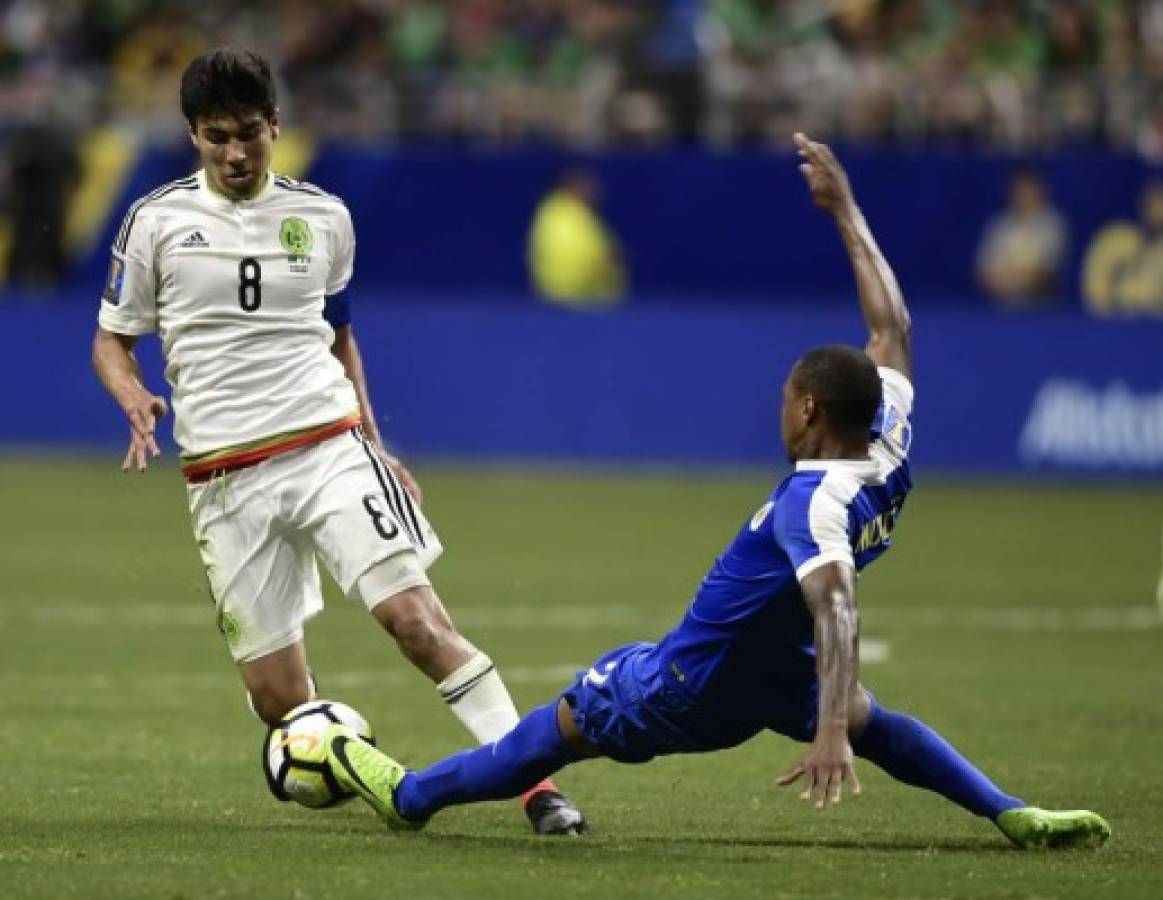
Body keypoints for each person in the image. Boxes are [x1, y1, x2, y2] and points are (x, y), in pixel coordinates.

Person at [322, 133, 1111, 850]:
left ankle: (410, 796)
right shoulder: (889, 431)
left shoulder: (815, 502)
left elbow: (836, 602)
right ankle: (1009, 811)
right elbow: (892, 328)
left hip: (686, 683)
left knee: (558, 726)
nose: (778, 411)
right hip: (774, 670)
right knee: (885, 727)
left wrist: (829, 727)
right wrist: (845, 209)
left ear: (806, 409)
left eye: (782, 399)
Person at [90, 48, 584, 836]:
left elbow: (339, 338)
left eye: (250, 133)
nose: (236, 153)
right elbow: (112, 341)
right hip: (224, 479)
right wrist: (133, 398)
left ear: (275, 125)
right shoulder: (154, 223)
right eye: (217, 137)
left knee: (417, 622)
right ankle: (365, 769)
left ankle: (536, 787)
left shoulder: (323, 216)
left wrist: (377, 444)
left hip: (327, 446)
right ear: (192, 135)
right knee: (276, 700)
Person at [527, 169, 626, 307]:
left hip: (573, 297)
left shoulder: (565, 212)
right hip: (574, 297)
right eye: (586, 186)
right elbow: (599, 258)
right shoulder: (561, 214)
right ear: (572, 188)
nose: (593, 190)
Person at [975, 168, 1067, 308]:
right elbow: (983, 270)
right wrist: (999, 283)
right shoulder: (999, 223)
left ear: (1040, 192)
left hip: (1042, 308)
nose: (1023, 196)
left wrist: (1018, 282)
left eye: (1028, 191)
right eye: (1019, 191)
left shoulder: (1053, 224)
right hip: (998, 307)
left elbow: (1048, 271)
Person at [1081, 179, 1163, 316]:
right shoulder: (1116, 237)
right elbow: (1094, 289)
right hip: (1115, 321)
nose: (1156, 208)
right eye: (1152, 202)